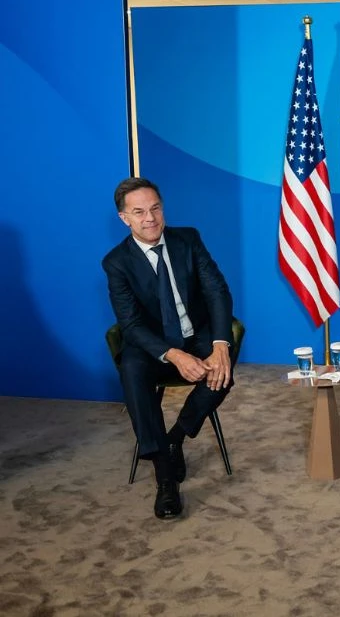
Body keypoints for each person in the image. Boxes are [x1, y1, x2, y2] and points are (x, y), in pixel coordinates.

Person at [103, 177, 234, 520]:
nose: (150, 218)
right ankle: (164, 475)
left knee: (222, 369)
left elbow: (217, 291)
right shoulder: (116, 262)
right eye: (139, 212)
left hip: (195, 334)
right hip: (153, 345)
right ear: (124, 218)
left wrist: (220, 345)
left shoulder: (188, 239)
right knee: (131, 369)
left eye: (155, 208)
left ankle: (175, 436)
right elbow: (131, 325)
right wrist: (174, 355)